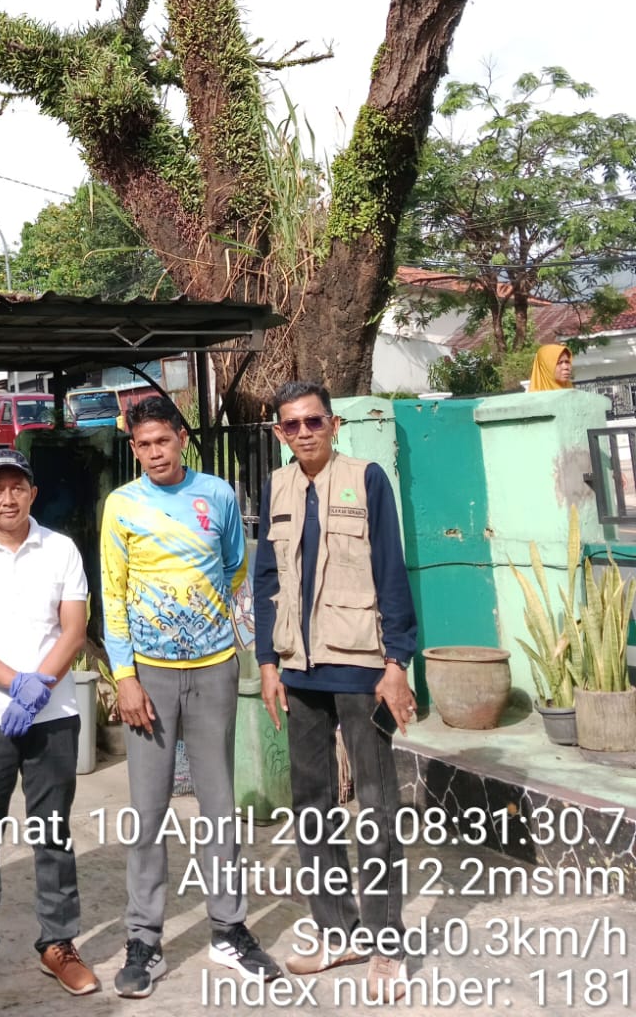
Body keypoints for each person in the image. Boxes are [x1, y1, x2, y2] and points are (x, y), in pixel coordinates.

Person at [101, 395, 283, 998]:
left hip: (213, 671)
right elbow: (113, 594)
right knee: (148, 810)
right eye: (144, 445)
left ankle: (229, 929)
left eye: (163, 441)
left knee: (219, 804)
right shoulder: (121, 505)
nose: (155, 453)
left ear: (181, 438)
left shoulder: (218, 496)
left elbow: (234, 569)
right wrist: (124, 678)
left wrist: (207, 628)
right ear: (134, 449)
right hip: (148, 679)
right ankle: (144, 940)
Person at [253, 381, 418, 1005]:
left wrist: (396, 661)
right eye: (291, 425)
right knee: (312, 806)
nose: (304, 433)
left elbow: (391, 570)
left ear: (334, 424)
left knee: (375, 806)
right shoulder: (277, 486)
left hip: (361, 666)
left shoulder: (366, 479)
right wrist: (267, 662)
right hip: (298, 671)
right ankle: (336, 930)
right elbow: (267, 581)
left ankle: (386, 944)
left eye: (313, 421)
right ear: (279, 433)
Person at [0, 448, 99, 1005]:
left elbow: (73, 629)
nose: (7, 498)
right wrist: (16, 686)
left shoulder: (60, 549)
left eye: (17, 487)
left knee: (52, 832)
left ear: (32, 492)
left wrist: (40, 688)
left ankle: (58, 944)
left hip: (53, 715)